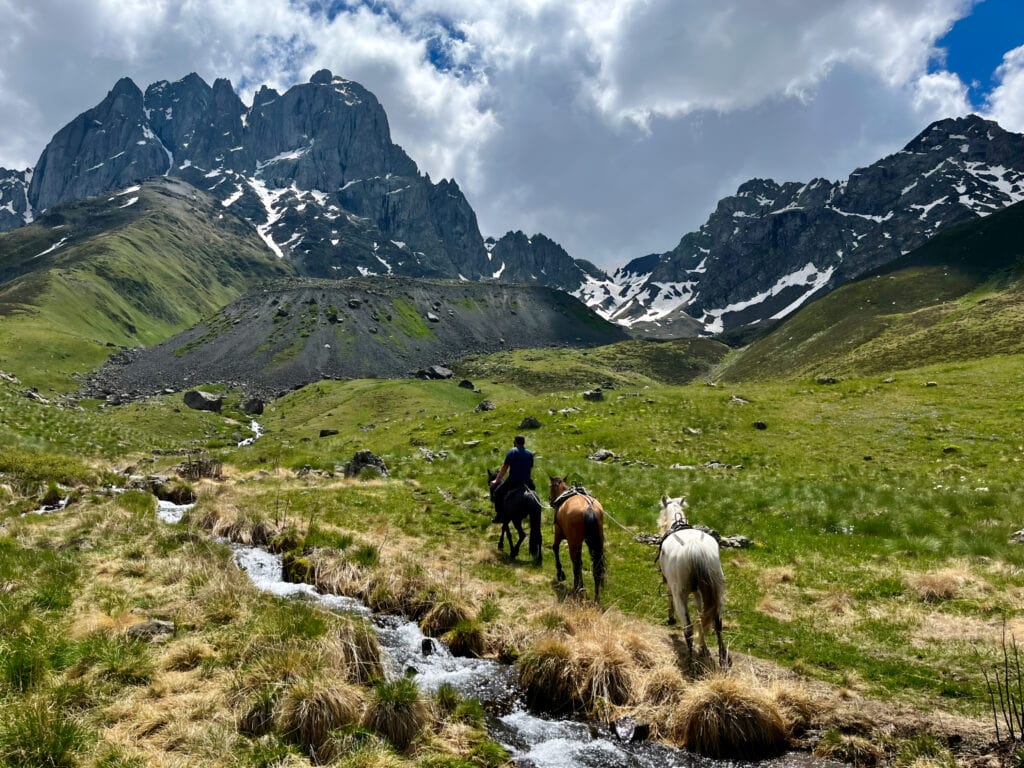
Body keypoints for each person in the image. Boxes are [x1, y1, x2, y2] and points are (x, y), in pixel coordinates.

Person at [489, 434, 535, 523]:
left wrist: (496, 480)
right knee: (533, 492)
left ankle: (499, 516)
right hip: (526, 481)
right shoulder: (529, 453)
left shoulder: (512, 452)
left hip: (513, 480)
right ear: (524, 443)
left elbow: (504, 468)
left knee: (498, 493)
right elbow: (530, 468)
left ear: (515, 442)